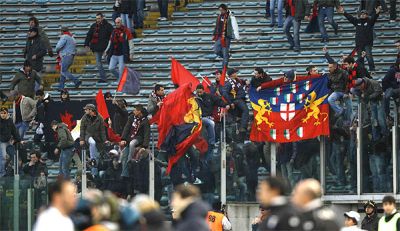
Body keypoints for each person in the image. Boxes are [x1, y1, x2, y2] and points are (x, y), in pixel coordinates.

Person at [338, 6, 381, 72]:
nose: (362, 15)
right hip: (359, 44)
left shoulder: (370, 21)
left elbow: (374, 18)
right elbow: (350, 18)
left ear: (367, 15)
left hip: (367, 43)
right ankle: (362, 71)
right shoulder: (357, 21)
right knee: (360, 58)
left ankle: (372, 70)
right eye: (361, 14)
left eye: (364, 14)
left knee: (369, 57)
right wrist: (344, 12)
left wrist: (377, 13)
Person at [195, 84, 228, 162]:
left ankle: (212, 142)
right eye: (198, 92)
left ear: (203, 90)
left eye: (200, 92)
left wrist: (225, 105)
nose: (199, 94)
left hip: (208, 117)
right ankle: (211, 142)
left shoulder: (210, 96)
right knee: (211, 123)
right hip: (199, 118)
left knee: (211, 123)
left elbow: (218, 101)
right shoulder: (195, 99)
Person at [120, 104, 150, 176]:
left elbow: (146, 133)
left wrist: (144, 146)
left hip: (139, 138)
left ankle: (130, 160)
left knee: (132, 143)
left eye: (135, 110)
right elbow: (126, 128)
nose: (134, 111)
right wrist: (123, 138)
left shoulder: (145, 121)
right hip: (129, 138)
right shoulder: (131, 118)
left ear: (139, 111)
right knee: (124, 156)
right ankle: (125, 175)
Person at [84, 13, 113, 83]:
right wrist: (86, 44)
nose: (97, 20)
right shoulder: (93, 26)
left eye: (99, 18)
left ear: (102, 18)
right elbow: (89, 35)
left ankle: (119, 75)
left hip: (105, 48)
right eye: (96, 18)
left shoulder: (108, 26)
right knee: (98, 64)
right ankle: (103, 78)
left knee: (110, 63)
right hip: (96, 47)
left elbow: (113, 36)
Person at [221, 68, 249, 138]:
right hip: (236, 100)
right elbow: (224, 93)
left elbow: (243, 81)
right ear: (232, 74)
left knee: (238, 117)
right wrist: (230, 103)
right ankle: (243, 126)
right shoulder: (229, 83)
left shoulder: (237, 80)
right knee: (245, 110)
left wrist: (246, 81)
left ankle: (240, 131)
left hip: (240, 99)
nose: (236, 74)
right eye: (235, 73)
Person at [0, 107, 20, 177]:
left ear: (7, 113)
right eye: (1, 113)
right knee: (3, 158)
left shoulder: (10, 121)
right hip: (1, 142)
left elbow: (14, 131)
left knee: (13, 155)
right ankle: (2, 174)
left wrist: (17, 139)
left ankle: (13, 171)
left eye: (4, 113)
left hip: (8, 141)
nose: (2, 115)